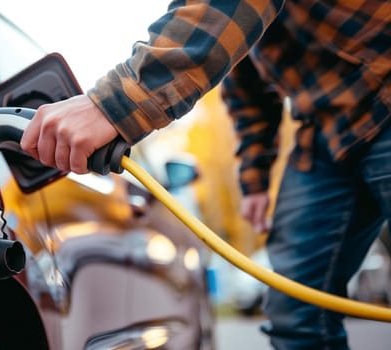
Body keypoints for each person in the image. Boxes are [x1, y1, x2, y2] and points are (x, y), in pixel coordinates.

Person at [21, 1, 390, 349]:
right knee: (297, 312)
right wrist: (255, 179)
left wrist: (116, 103)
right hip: (325, 136)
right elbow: (246, 86)